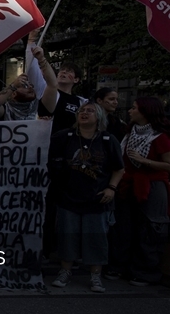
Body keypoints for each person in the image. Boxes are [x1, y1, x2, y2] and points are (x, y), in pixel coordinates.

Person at [47, 102, 124, 293]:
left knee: (96, 238)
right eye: (82, 110)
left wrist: (111, 188)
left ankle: (95, 275)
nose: (84, 113)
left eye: (90, 111)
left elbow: (119, 168)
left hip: (97, 198)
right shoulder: (65, 137)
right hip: (68, 197)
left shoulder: (107, 139)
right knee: (67, 236)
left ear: (99, 117)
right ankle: (65, 271)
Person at [109, 96, 170, 286]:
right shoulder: (129, 133)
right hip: (128, 185)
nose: (129, 110)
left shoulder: (160, 137)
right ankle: (120, 265)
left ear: (145, 111)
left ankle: (145, 271)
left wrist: (146, 162)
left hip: (151, 186)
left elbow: (168, 165)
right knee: (124, 227)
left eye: (134, 108)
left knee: (149, 228)